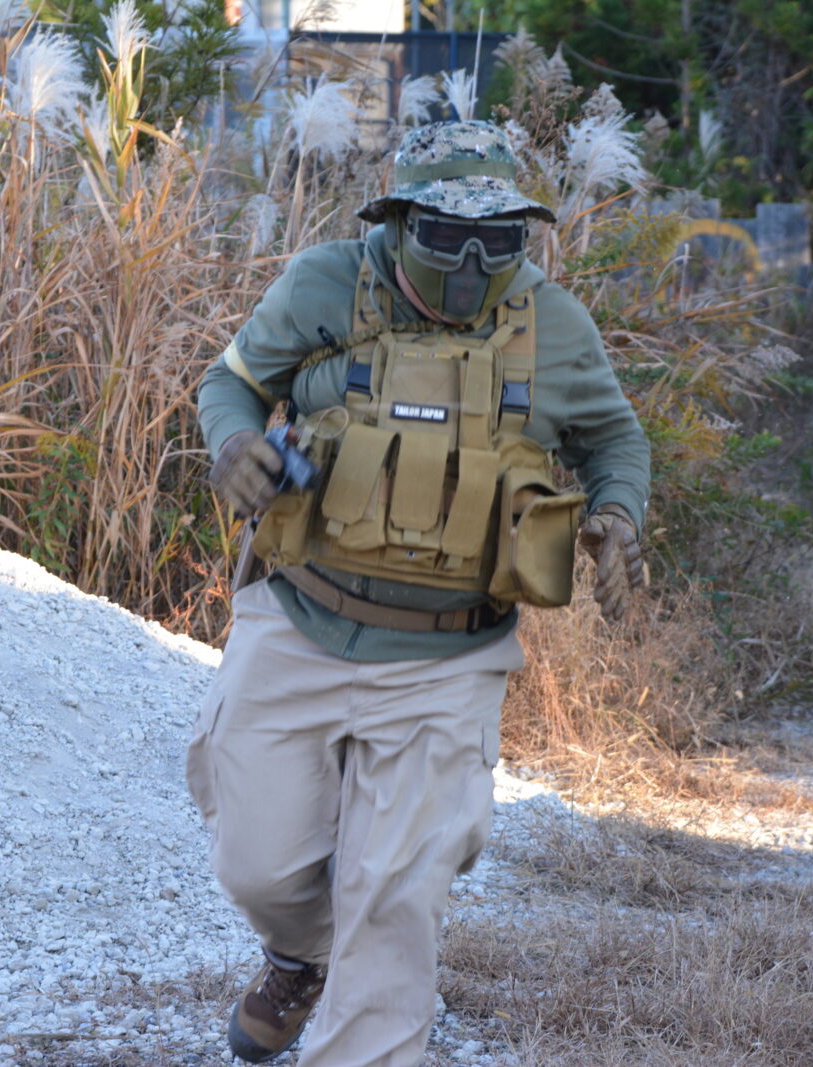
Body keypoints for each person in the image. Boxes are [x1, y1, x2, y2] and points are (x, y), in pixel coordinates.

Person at [188, 119, 650, 1066]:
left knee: (394, 897)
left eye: (500, 239)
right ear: (397, 223)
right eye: (446, 236)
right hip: (300, 616)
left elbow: (615, 438)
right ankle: (300, 952)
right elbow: (230, 382)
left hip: (451, 658)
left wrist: (617, 516)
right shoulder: (325, 286)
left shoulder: (553, 326)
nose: (474, 264)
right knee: (258, 864)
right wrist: (233, 444)